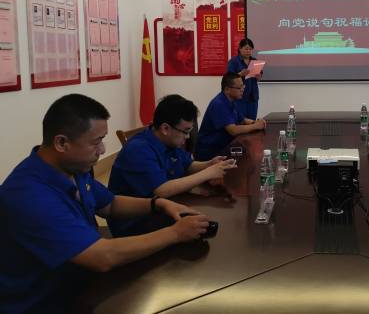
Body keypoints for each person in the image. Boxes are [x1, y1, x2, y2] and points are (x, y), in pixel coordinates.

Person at [0, 94, 211, 314]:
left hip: (81, 283)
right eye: (96, 142)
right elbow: (102, 257)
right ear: (61, 143)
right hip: (45, 303)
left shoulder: (72, 168)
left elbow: (110, 204)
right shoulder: (29, 194)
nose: (102, 150)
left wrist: (158, 204)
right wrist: (176, 233)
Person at [108, 94, 237, 237]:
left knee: (214, 216)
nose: (188, 137)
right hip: (135, 223)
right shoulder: (138, 149)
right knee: (208, 225)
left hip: (166, 206)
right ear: (165, 128)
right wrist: (208, 173)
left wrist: (209, 164)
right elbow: (161, 190)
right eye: (185, 131)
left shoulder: (168, 141)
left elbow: (188, 165)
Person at [195, 72, 266, 160]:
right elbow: (233, 130)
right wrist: (255, 126)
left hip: (224, 147)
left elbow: (242, 119)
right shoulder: (219, 104)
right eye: (239, 88)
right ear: (227, 89)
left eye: (243, 86)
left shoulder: (231, 101)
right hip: (210, 153)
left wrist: (255, 122)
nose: (242, 90)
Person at [227, 38, 261, 120]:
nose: (248, 51)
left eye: (250, 49)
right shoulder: (234, 61)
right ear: (240, 48)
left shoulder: (255, 61)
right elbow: (228, 78)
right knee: (240, 121)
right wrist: (240, 74)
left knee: (252, 121)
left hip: (253, 97)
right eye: (246, 49)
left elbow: (258, 79)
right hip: (239, 98)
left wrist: (258, 76)